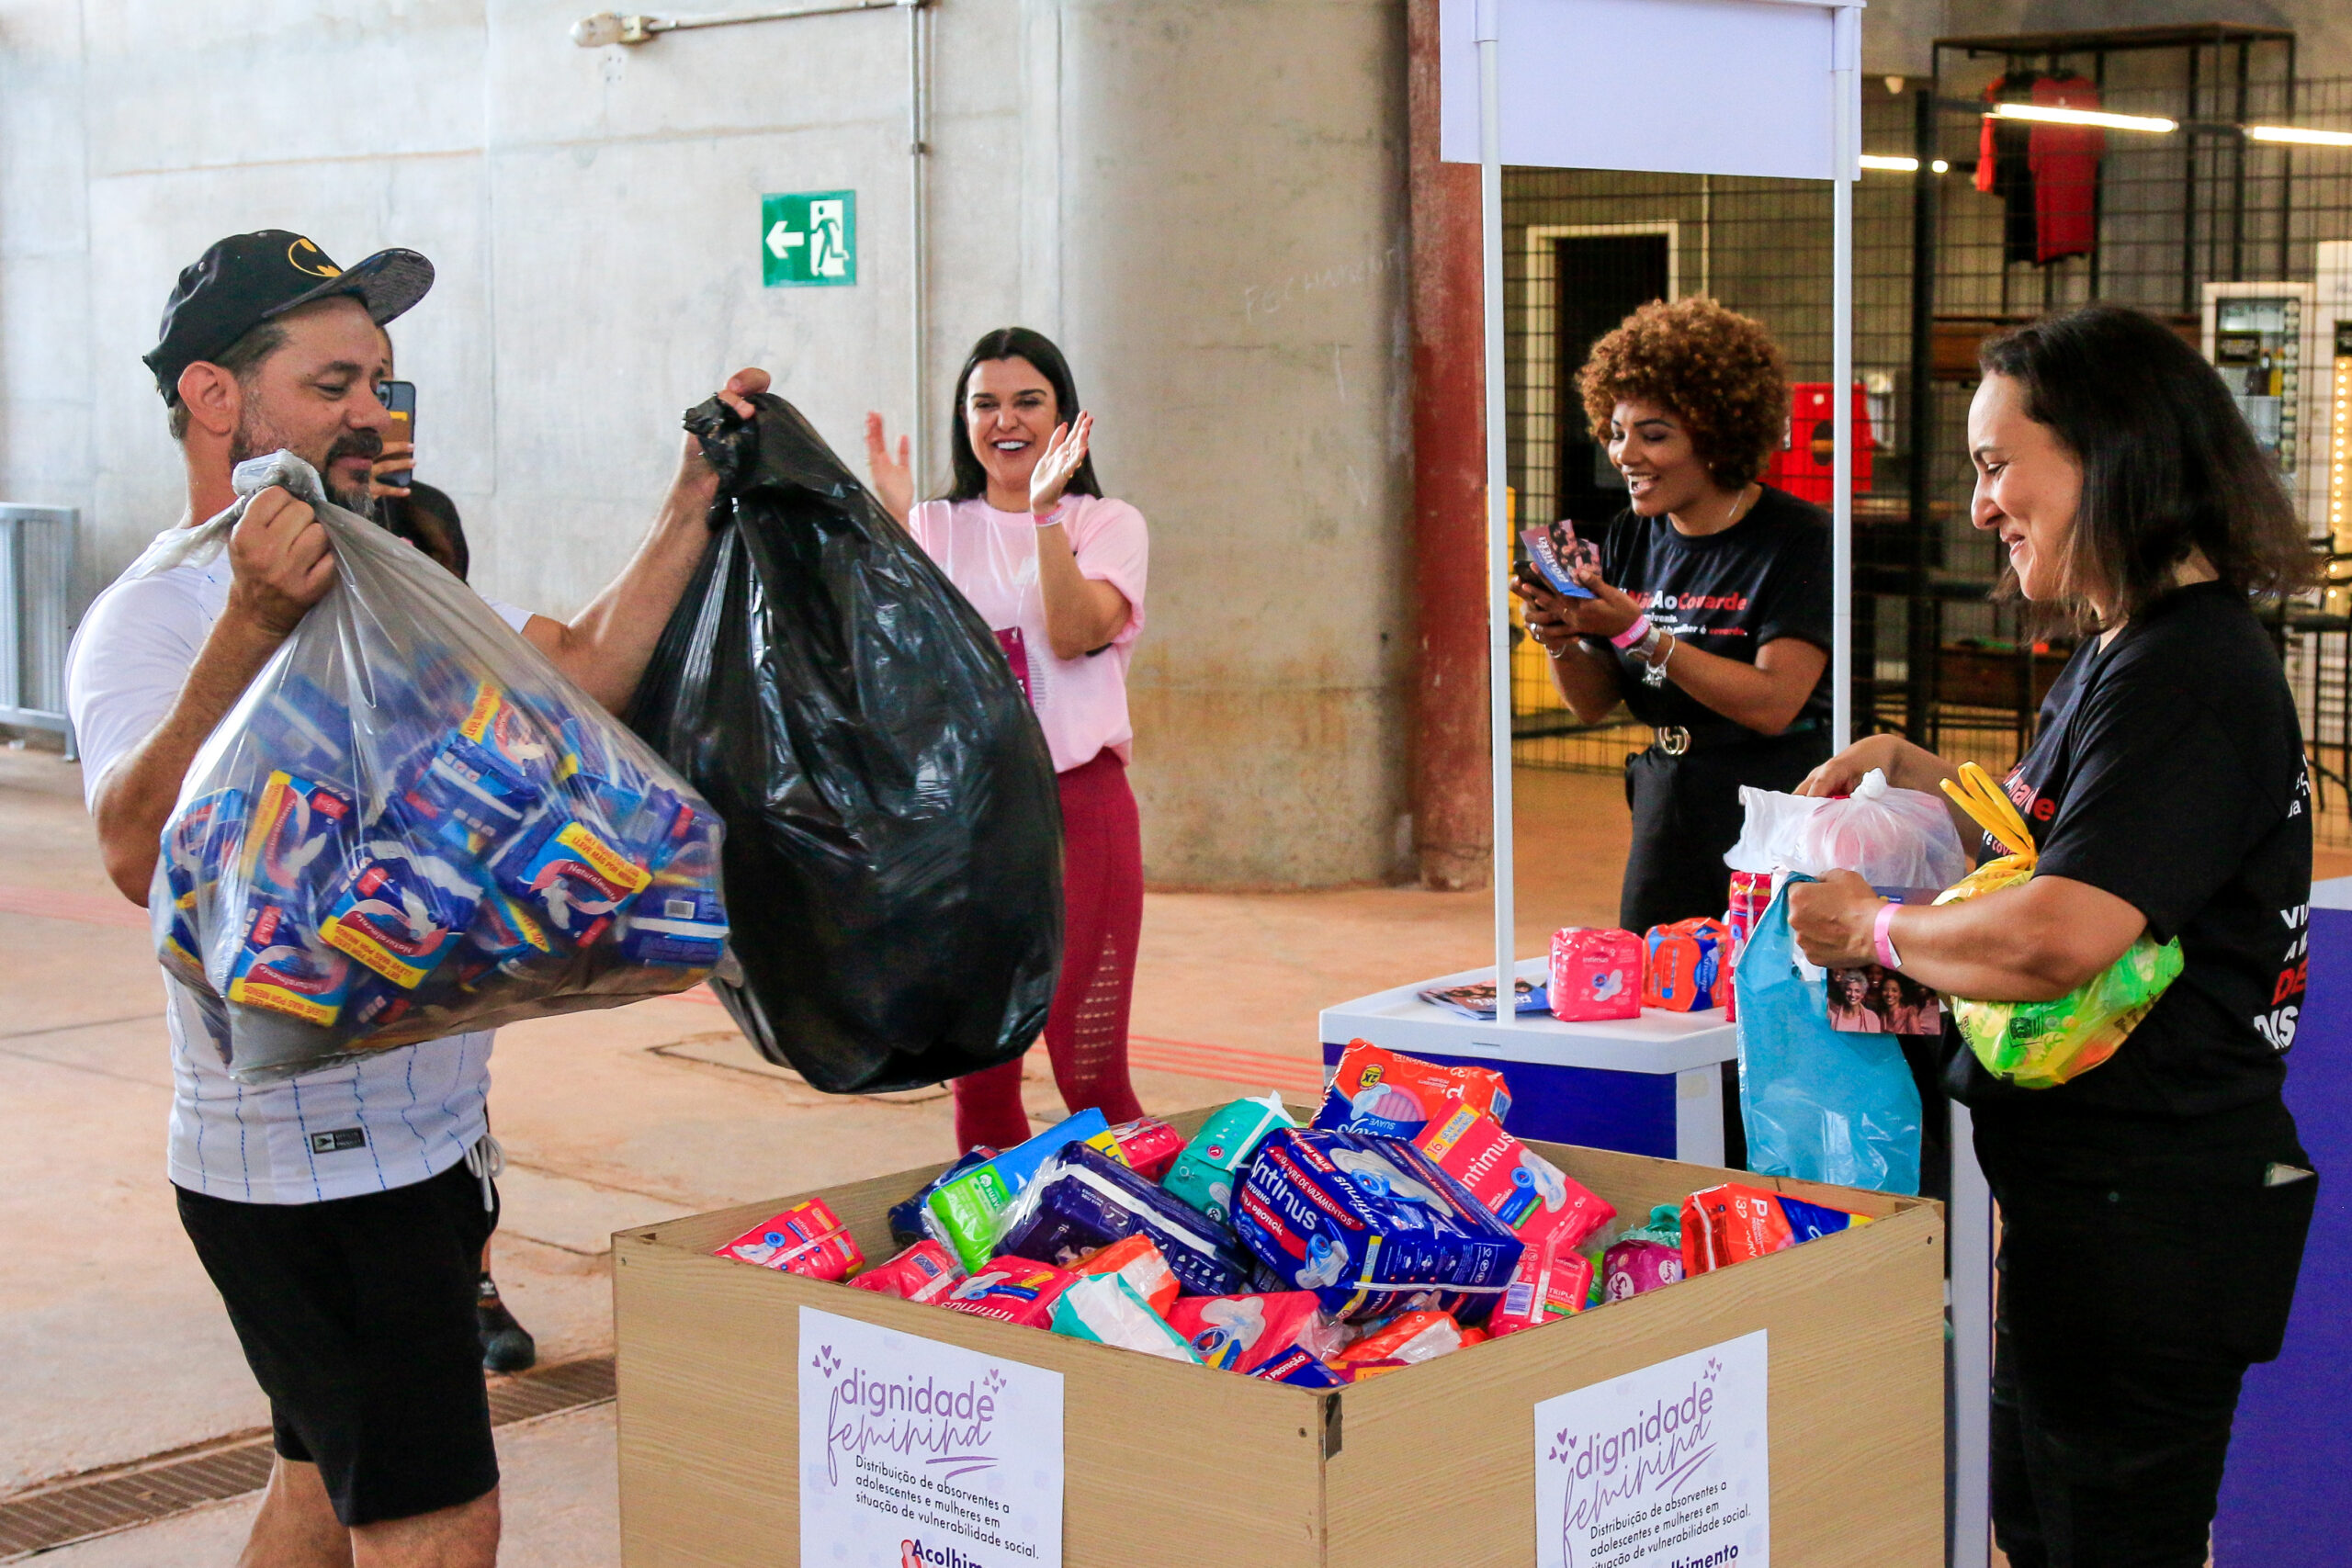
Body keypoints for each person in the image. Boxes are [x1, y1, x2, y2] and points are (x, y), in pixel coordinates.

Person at [65, 229, 763, 1568]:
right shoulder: (151, 619)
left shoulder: (383, 582)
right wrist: (251, 622)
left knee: (325, 1480)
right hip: (314, 1173)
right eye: (333, 384)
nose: (373, 414)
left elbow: (573, 672)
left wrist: (691, 504)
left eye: (381, 383)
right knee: (440, 1523)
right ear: (219, 398)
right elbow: (137, 855)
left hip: (422, 1141)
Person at [1785, 304, 2319, 1567]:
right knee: (2044, 1517)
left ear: (2109, 452)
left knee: (2103, 1535)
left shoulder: (2188, 670)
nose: (1980, 506)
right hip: (2100, 1211)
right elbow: (2060, 847)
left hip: (2154, 1221)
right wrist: (1925, 777)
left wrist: (1875, 923)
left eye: (1992, 462)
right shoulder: (2125, 650)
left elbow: (2061, 931)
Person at [863, 328, 1148, 1153]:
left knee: (1086, 1065)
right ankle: (1000, 1268)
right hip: (968, 817)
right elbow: (888, 653)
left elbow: (1070, 632)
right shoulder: (933, 524)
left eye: (1029, 401)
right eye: (985, 403)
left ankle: (1157, 1247)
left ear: (1065, 417)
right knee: (979, 1071)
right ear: (964, 419)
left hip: (1078, 807)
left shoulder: (1109, 522)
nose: (1005, 420)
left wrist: (1046, 517)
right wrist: (886, 524)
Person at [1515, 297, 1833, 939]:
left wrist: (1638, 632)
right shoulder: (1634, 534)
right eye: (1616, 431)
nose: (1624, 453)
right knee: (1656, 991)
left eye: (1653, 434)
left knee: (1763, 997)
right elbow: (1593, 703)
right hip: (1667, 801)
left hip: (1774, 805)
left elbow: (1775, 700)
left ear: (1717, 437)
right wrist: (1561, 638)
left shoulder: (1799, 537)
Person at [367, 457, 535, 1376]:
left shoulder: (481, 657)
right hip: (348, 943)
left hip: (456, 934)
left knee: (455, 1108)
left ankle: (473, 1280)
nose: (404, 564)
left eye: (424, 553)